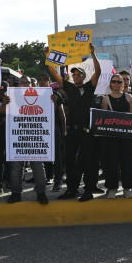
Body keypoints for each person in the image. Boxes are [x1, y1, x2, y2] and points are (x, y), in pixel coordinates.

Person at [47, 43, 102, 202]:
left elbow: (98, 71)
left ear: (84, 76)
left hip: (86, 131)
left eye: (79, 74)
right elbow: (53, 73)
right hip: (71, 131)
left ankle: (89, 190)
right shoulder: (69, 87)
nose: (76, 76)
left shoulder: (89, 87)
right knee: (69, 162)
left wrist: (93, 53)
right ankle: (71, 189)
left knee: (87, 162)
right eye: (74, 74)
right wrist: (48, 57)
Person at [6, 75, 49, 205]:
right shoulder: (11, 96)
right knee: (16, 166)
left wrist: (53, 99)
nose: (24, 84)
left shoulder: (41, 96)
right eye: (22, 82)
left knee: (38, 165)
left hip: (35, 136)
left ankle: (41, 193)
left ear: (32, 85)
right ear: (18, 85)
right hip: (18, 136)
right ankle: (16, 193)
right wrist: (4, 103)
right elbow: (3, 111)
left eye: (27, 82)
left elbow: (51, 108)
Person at [100, 73, 132, 199]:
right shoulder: (106, 99)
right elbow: (104, 118)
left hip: (126, 136)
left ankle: (127, 188)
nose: (116, 84)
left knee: (127, 162)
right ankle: (112, 188)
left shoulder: (129, 97)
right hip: (111, 137)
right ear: (110, 83)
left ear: (123, 83)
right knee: (111, 162)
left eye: (119, 81)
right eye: (114, 81)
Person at [39, 73, 66, 191]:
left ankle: (58, 180)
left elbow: (61, 114)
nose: (43, 82)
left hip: (54, 128)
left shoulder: (55, 95)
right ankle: (49, 177)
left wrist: (64, 130)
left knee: (57, 155)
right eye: (41, 80)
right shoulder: (34, 94)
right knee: (45, 155)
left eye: (45, 80)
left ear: (49, 82)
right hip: (40, 129)